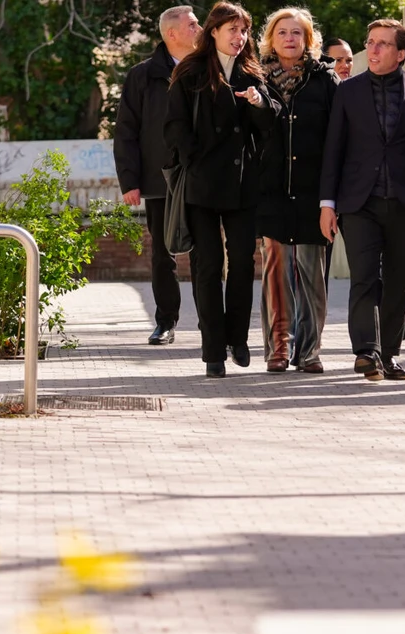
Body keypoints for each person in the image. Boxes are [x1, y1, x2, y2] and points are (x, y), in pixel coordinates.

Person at [318, 18, 405, 381]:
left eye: (382, 44)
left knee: (398, 279)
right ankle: (366, 352)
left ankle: (389, 353)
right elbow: (334, 150)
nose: (372, 50)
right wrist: (328, 203)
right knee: (364, 278)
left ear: (400, 53)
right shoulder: (348, 91)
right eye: (370, 42)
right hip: (359, 202)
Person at [165, 1, 277, 379]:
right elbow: (174, 125)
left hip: (243, 184)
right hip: (202, 185)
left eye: (244, 30)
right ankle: (213, 348)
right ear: (213, 31)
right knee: (208, 266)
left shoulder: (250, 72)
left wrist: (260, 103)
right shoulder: (190, 71)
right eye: (232, 29)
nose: (239, 37)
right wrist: (194, 157)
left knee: (243, 262)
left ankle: (238, 338)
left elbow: (270, 121)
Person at [255, 7, 338, 373]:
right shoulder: (254, 77)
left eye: (297, 33)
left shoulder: (325, 80)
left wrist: (331, 199)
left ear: (308, 40)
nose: (290, 38)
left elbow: (338, 142)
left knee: (310, 276)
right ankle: (277, 349)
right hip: (270, 192)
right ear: (271, 39)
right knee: (276, 274)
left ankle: (309, 351)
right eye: (282, 32)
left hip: (312, 193)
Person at [114, 6, 202, 346]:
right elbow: (126, 130)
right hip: (159, 179)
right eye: (193, 24)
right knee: (163, 253)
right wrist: (129, 180)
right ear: (172, 34)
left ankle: (210, 323)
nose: (200, 28)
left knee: (205, 251)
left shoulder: (209, 68)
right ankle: (165, 322)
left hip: (201, 176)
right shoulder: (143, 75)